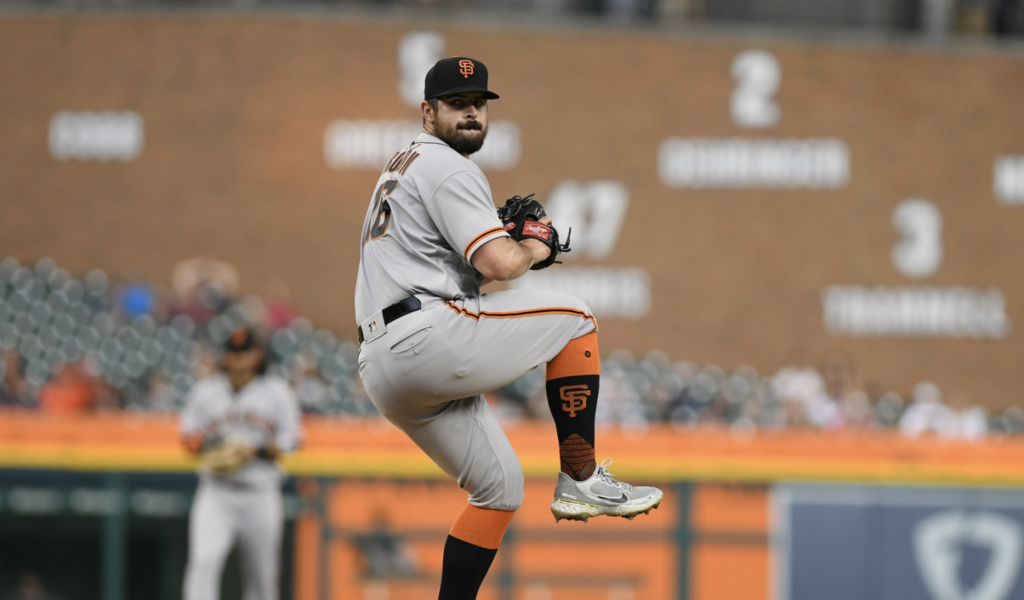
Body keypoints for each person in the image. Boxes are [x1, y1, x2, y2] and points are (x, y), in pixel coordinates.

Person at [354, 56, 662, 600]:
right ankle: (581, 477)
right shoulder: (448, 164)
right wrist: (533, 246)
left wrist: (510, 248)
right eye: (457, 104)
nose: (471, 114)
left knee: (499, 488)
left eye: (478, 104)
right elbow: (500, 265)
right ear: (428, 111)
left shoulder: (403, 164)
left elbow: (464, 267)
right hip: (425, 335)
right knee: (576, 320)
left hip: (386, 364)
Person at [179, 327, 302, 600]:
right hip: (216, 491)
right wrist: (216, 447)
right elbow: (188, 436)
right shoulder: (205, 392)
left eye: (245, 352)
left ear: (257, 354)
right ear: (225, 356)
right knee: (203, 564)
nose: (239, 359)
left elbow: (292, 441)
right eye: (234, 353)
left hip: (261, 492)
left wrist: (256, 450)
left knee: (262, 577)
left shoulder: (277, 392)